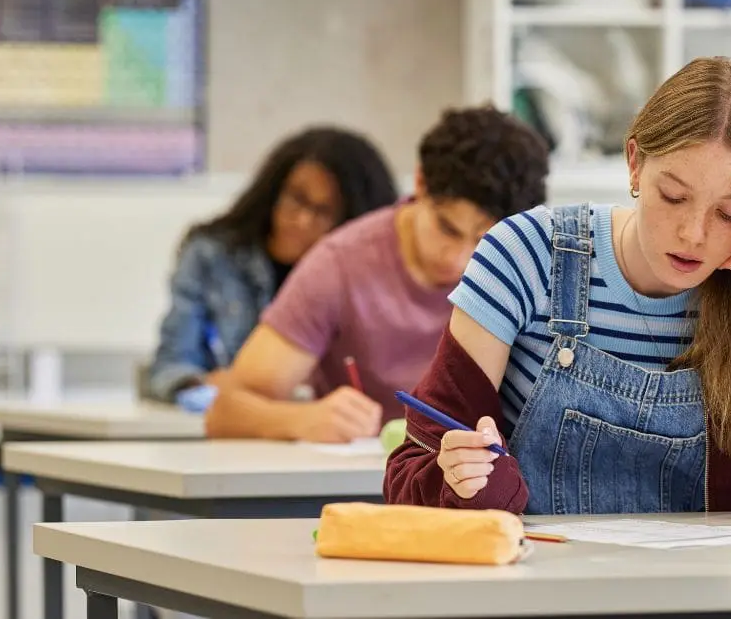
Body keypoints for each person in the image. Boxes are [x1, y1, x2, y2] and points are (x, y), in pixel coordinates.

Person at [384, 57, 731, 515]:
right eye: (674, 197)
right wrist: (471, 484)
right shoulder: (527, 256)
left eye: (730, 214)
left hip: (705, 585)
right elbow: (410, 471)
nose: (693, 234)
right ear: (635, 163)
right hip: (542, 582)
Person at [204, 105, 551, 442]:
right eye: (447, 228)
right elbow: (225, 410)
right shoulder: (339, 265)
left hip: (477, 488)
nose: (460, 260)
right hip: (359, 488)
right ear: (420, 183)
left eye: (484, 240)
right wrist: (302, 419)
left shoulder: (523, 268)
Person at [146, 128, 397, 405]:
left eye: (324, 212)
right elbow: (172, 364)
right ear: (272, 192)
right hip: (230, 423)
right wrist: (205, 386)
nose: (303, 220)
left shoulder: (355, 270)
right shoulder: (212, 253)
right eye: (297, 199)